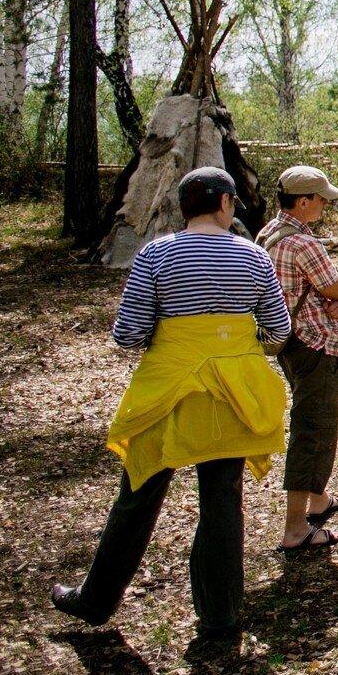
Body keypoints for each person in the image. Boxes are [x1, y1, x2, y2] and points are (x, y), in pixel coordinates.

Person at [52, 168, 293, 646]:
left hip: (169, 389)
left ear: (184, 207)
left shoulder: (156, 254)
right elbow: (278, 329)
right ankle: (220, 616)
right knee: (222, 499)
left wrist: (176, 338)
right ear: (226, 203)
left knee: (139, 492)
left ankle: (96, 601)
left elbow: (128, 334)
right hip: (233, 392)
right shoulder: (252, 256)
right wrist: (234, 346)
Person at [258, 165, 338, 552]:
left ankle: (318, 500)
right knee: (314, 430)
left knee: (314, 422)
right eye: (322, 199)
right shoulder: (303, 244)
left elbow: (292, 290)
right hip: (315, 346)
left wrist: (323, 302)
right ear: (304, 201)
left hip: (289, 343)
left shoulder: (268, 234)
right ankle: (296, 528)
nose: (326, 206)